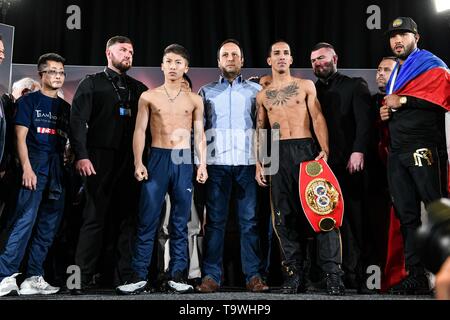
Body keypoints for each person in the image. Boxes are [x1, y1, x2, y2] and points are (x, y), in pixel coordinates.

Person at [116, 44, 207, 295]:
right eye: (169, 61)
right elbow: (139, 131)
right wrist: (138, 162)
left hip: (183, 159)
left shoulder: (195, 99)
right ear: (162, 65)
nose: (173, 66)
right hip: (157, 157)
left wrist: (202, 164)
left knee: (180, 222)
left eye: (179, 62)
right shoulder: (149, 96)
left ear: (186, 67)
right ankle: (139, 276)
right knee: (147, 220)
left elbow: (199, 134)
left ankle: (177, 275)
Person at [255, 40, 345, 295]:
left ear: (292, 60)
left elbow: (317, 117)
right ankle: (294, 276)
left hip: (306, 151)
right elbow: (261, 130)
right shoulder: (262, 95)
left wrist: (324, 150)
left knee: (322, 210)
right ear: (269, 60)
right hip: (277, 154)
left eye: (286, 53)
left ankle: (333, 276)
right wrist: (259, 163)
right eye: (276, 53)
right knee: (284, 218)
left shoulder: (305, 86)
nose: (281, 57)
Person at [70, 36, 148, 293]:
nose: (128, 54)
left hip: (130, 161)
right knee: (94, 218)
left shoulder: (139, 88)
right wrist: (81, 155)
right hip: (97, 159)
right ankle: (78, 279)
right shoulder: (91, 83)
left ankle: (124, 277)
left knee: (127, 220)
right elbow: (78, 122)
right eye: (123, 49)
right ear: (108, 53)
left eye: (131, 51)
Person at [379, 17, 449, 294]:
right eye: (393, 36)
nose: (397, 40)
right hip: (397, 152)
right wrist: (386, 112)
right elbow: (396, 105)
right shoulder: (397, 71)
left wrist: (404, 100)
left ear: (416, 38)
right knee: (407, 216)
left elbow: (443, 97)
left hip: (423, 147)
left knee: (436, 212)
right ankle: (417, 276)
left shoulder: (432, 64)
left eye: (403, 35)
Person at [195, 39, 268, 293]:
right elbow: (199, 131)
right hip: (216, 165)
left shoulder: (255, 91)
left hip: (247, 165)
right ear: (218, 61)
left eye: (234, 55)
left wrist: (261, 163)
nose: (230, 58)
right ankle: (211, 277)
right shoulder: (205, 92)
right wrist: (201, 163)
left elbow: (262, 129)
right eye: (225, 55)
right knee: (214, 223)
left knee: (249, 222)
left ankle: (253, 276)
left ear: (242, 61)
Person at [0, 53, 69, 296]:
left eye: (61, 71)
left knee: (47, 226)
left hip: (56, 171)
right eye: (52, 71)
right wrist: (27, 168)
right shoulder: (28, 102)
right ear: (41, 74)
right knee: (23, 222)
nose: (58, 76)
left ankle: (33, 276)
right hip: (33, 166)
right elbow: (19, 138)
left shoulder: (65, 108)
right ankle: (4, 275)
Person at [310, 42, 373, 292]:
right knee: (325, 221)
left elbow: (364, 123)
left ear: (335, 58)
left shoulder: (354, 85)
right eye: (314, 60)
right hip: (322, 169)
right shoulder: (311, 91)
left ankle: (357, 277)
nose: (318, 63)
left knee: (354, 221)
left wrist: (358, 151)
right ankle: (329, 274)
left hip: (350, 165)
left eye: (322, 58)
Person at [156, 73, 204, 288]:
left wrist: (200, 167)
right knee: (165, 225)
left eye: (186, 87)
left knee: (191, 226)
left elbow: (203, 144)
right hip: (165, 169)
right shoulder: (162, 116)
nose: (180, 90)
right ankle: (165, 271)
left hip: (191, 175)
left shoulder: (197, 116)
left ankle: (189, 272)